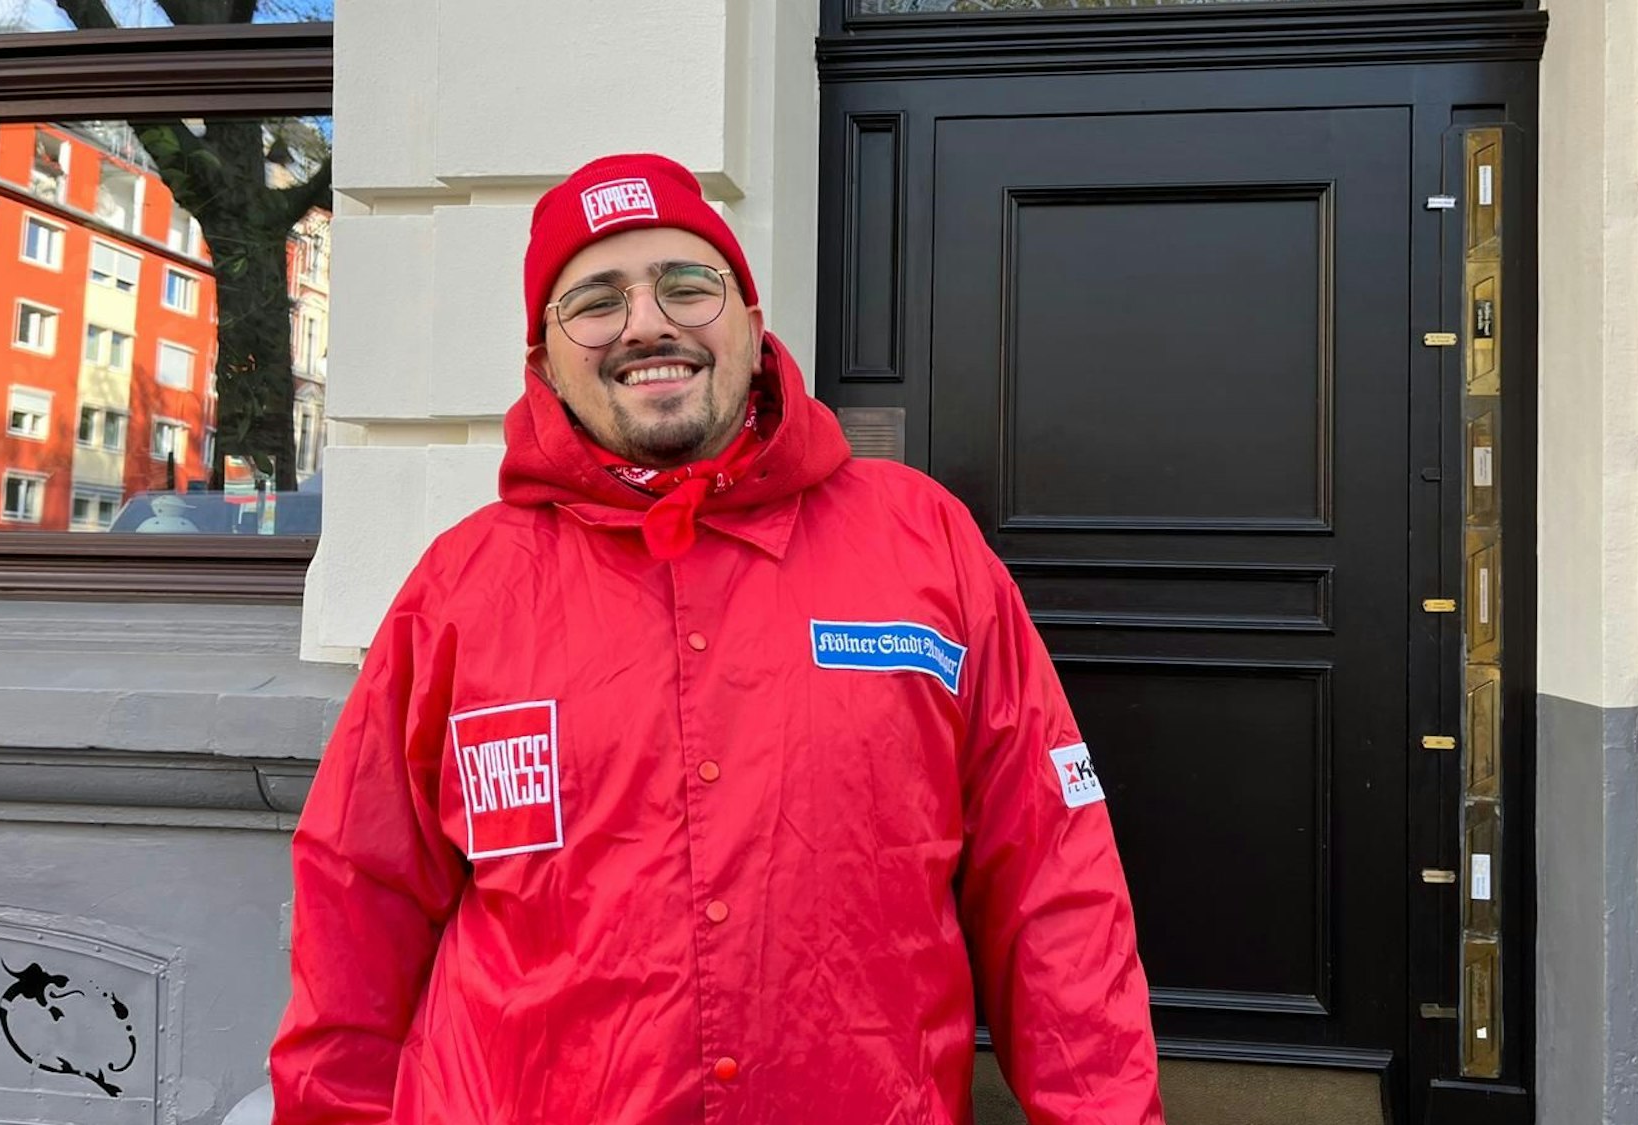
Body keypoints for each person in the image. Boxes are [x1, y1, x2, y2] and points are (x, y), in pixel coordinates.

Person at [267, 153, 1164, 1124]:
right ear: (545, 362)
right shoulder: (459, 590)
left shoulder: (923, 543)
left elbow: (1052, 878)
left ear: (750, 318)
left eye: (687, 285)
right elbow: (358, 900)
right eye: (595, 302)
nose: (645, 323)